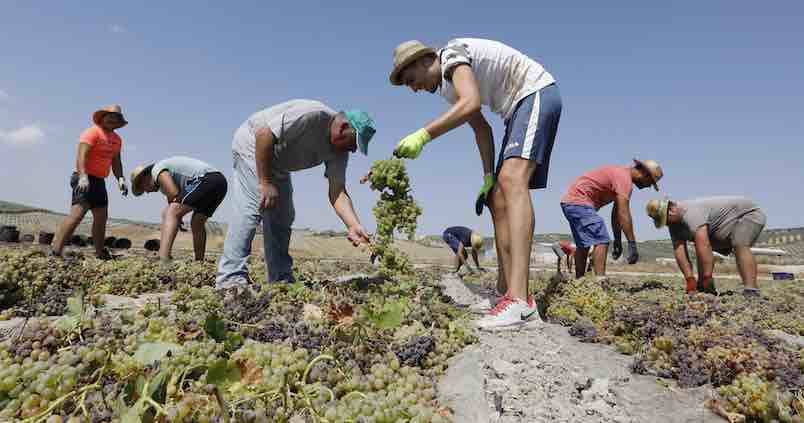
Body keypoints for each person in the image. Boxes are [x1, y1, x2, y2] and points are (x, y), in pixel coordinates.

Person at [389, 38, 561, 329]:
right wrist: (487, 178)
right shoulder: (448, 87)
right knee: (497, 197)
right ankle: (505, 292)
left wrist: (423, 135)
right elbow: (481, 127)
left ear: (423, 60)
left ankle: (522, 304)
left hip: (535, 93)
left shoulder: (453, 55)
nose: (413, 88)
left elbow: (470, 104)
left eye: (411, 79)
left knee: (513, 179)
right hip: (515, 111)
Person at [216, 100, 376, 289]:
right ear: (342, 127)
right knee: (253, 207)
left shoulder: (339, 152)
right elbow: (263, 134)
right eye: (353, 143)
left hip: (278, 163)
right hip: (253, 145)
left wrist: (353, 225)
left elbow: (337, 191)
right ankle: (230, 279)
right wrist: (265, 183)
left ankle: (280, 278)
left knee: (283, 216)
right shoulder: (312, 115)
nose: (353, 150)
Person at [560, 159, 664, 279]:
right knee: (601, 238)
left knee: (584, 244)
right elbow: (624, 213)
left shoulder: (620, 177)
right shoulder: (624, 179)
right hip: (579, 202)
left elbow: (617, 215)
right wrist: (632, 244)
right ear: (645, 174)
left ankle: (579, 282)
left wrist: (618, 240)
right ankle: (600, 284)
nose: (648, 186)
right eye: (650, 182)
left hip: (570, 203)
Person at [646, 196, 766, 297]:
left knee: (740, 243)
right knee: (700, 248)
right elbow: (679, 251)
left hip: (747, 215)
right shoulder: (673, 224)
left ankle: (751, 290)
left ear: (671, 209)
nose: (667, 224)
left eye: (666, 220)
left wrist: (707, 277)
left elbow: (704, 246)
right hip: (721, 228)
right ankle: (703, 286)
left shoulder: (692, 214)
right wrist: (690, 280)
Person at [51, 105, 129, 260]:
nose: (112, 120)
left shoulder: (117, 140)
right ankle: (55, 252)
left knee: (101, 217)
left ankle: (100, 253)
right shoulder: (92, 132)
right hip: (84, 178)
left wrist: (121, 179)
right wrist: (83, 176)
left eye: (116, 118)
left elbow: (116, 162)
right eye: (109, 116)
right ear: (102, 117)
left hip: (99, 181)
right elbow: (81, 156)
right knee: (77, 214)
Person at [130, 156, 228, 263]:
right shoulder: (163, 182)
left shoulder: (157, 171)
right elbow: (174, 200)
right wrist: (176, 217)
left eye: (143, 188)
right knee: (197, 222)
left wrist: (175, 215)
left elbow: (174, 193)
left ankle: (163, 257)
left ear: (144, 178)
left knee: (169, 212)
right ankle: (199, 261)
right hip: (220, 182)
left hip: (206, 179)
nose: (147, 192)